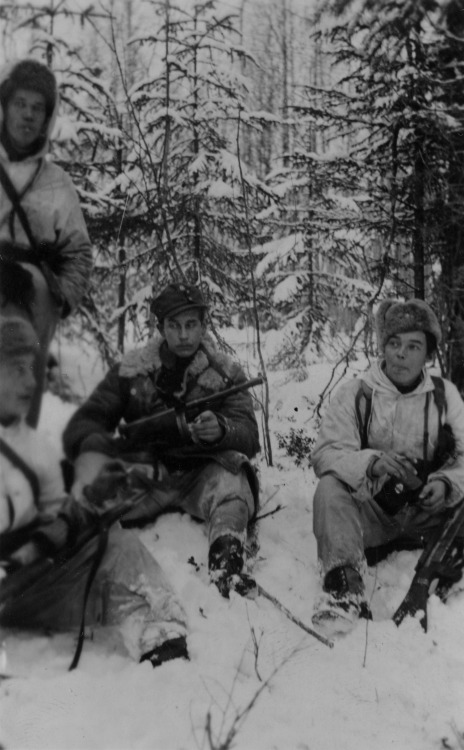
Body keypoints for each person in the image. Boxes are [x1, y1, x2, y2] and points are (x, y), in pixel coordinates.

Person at [0, 316, 188, 668]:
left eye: (32, 369)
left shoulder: (33, 445)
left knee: (116, 544)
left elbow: (58, 523)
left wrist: (92, 504)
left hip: (34, 586)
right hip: (12, 584)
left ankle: (158, 635)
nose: (30, 381)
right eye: (16, 369)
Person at [63, 282, 261, 597]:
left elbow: (250, 435)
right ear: (160, 327)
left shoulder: (226, 373)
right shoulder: (133, 370)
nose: (183, 335)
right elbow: (85, 422)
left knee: (233, 483)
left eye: (191, 325)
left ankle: (227, 565)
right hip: (148, 474)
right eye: (174, 325)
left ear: (203, 326)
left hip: (202, 474)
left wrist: (222, 430)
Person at [311, 298, 464, 634]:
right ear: (382, 347)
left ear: (429, 354)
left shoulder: (445, 397)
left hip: (426, 514)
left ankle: (443, 576)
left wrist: (446, 484)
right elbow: (325, 454)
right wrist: (372, 463)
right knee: (329, 489)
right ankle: (344, 590)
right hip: (374, 513)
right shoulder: (356, 394)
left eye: (413, 346)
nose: (401, 354)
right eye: (394, 343)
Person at [0, 58, 92, 427]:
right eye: (20, 104)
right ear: (4, 107)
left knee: (19, 412)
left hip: (33, 305)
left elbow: (78, 255)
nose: (27, 116)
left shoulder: (58, 184)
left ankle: (14, 482)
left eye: (38, 108)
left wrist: (57, 300)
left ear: (48, 118)